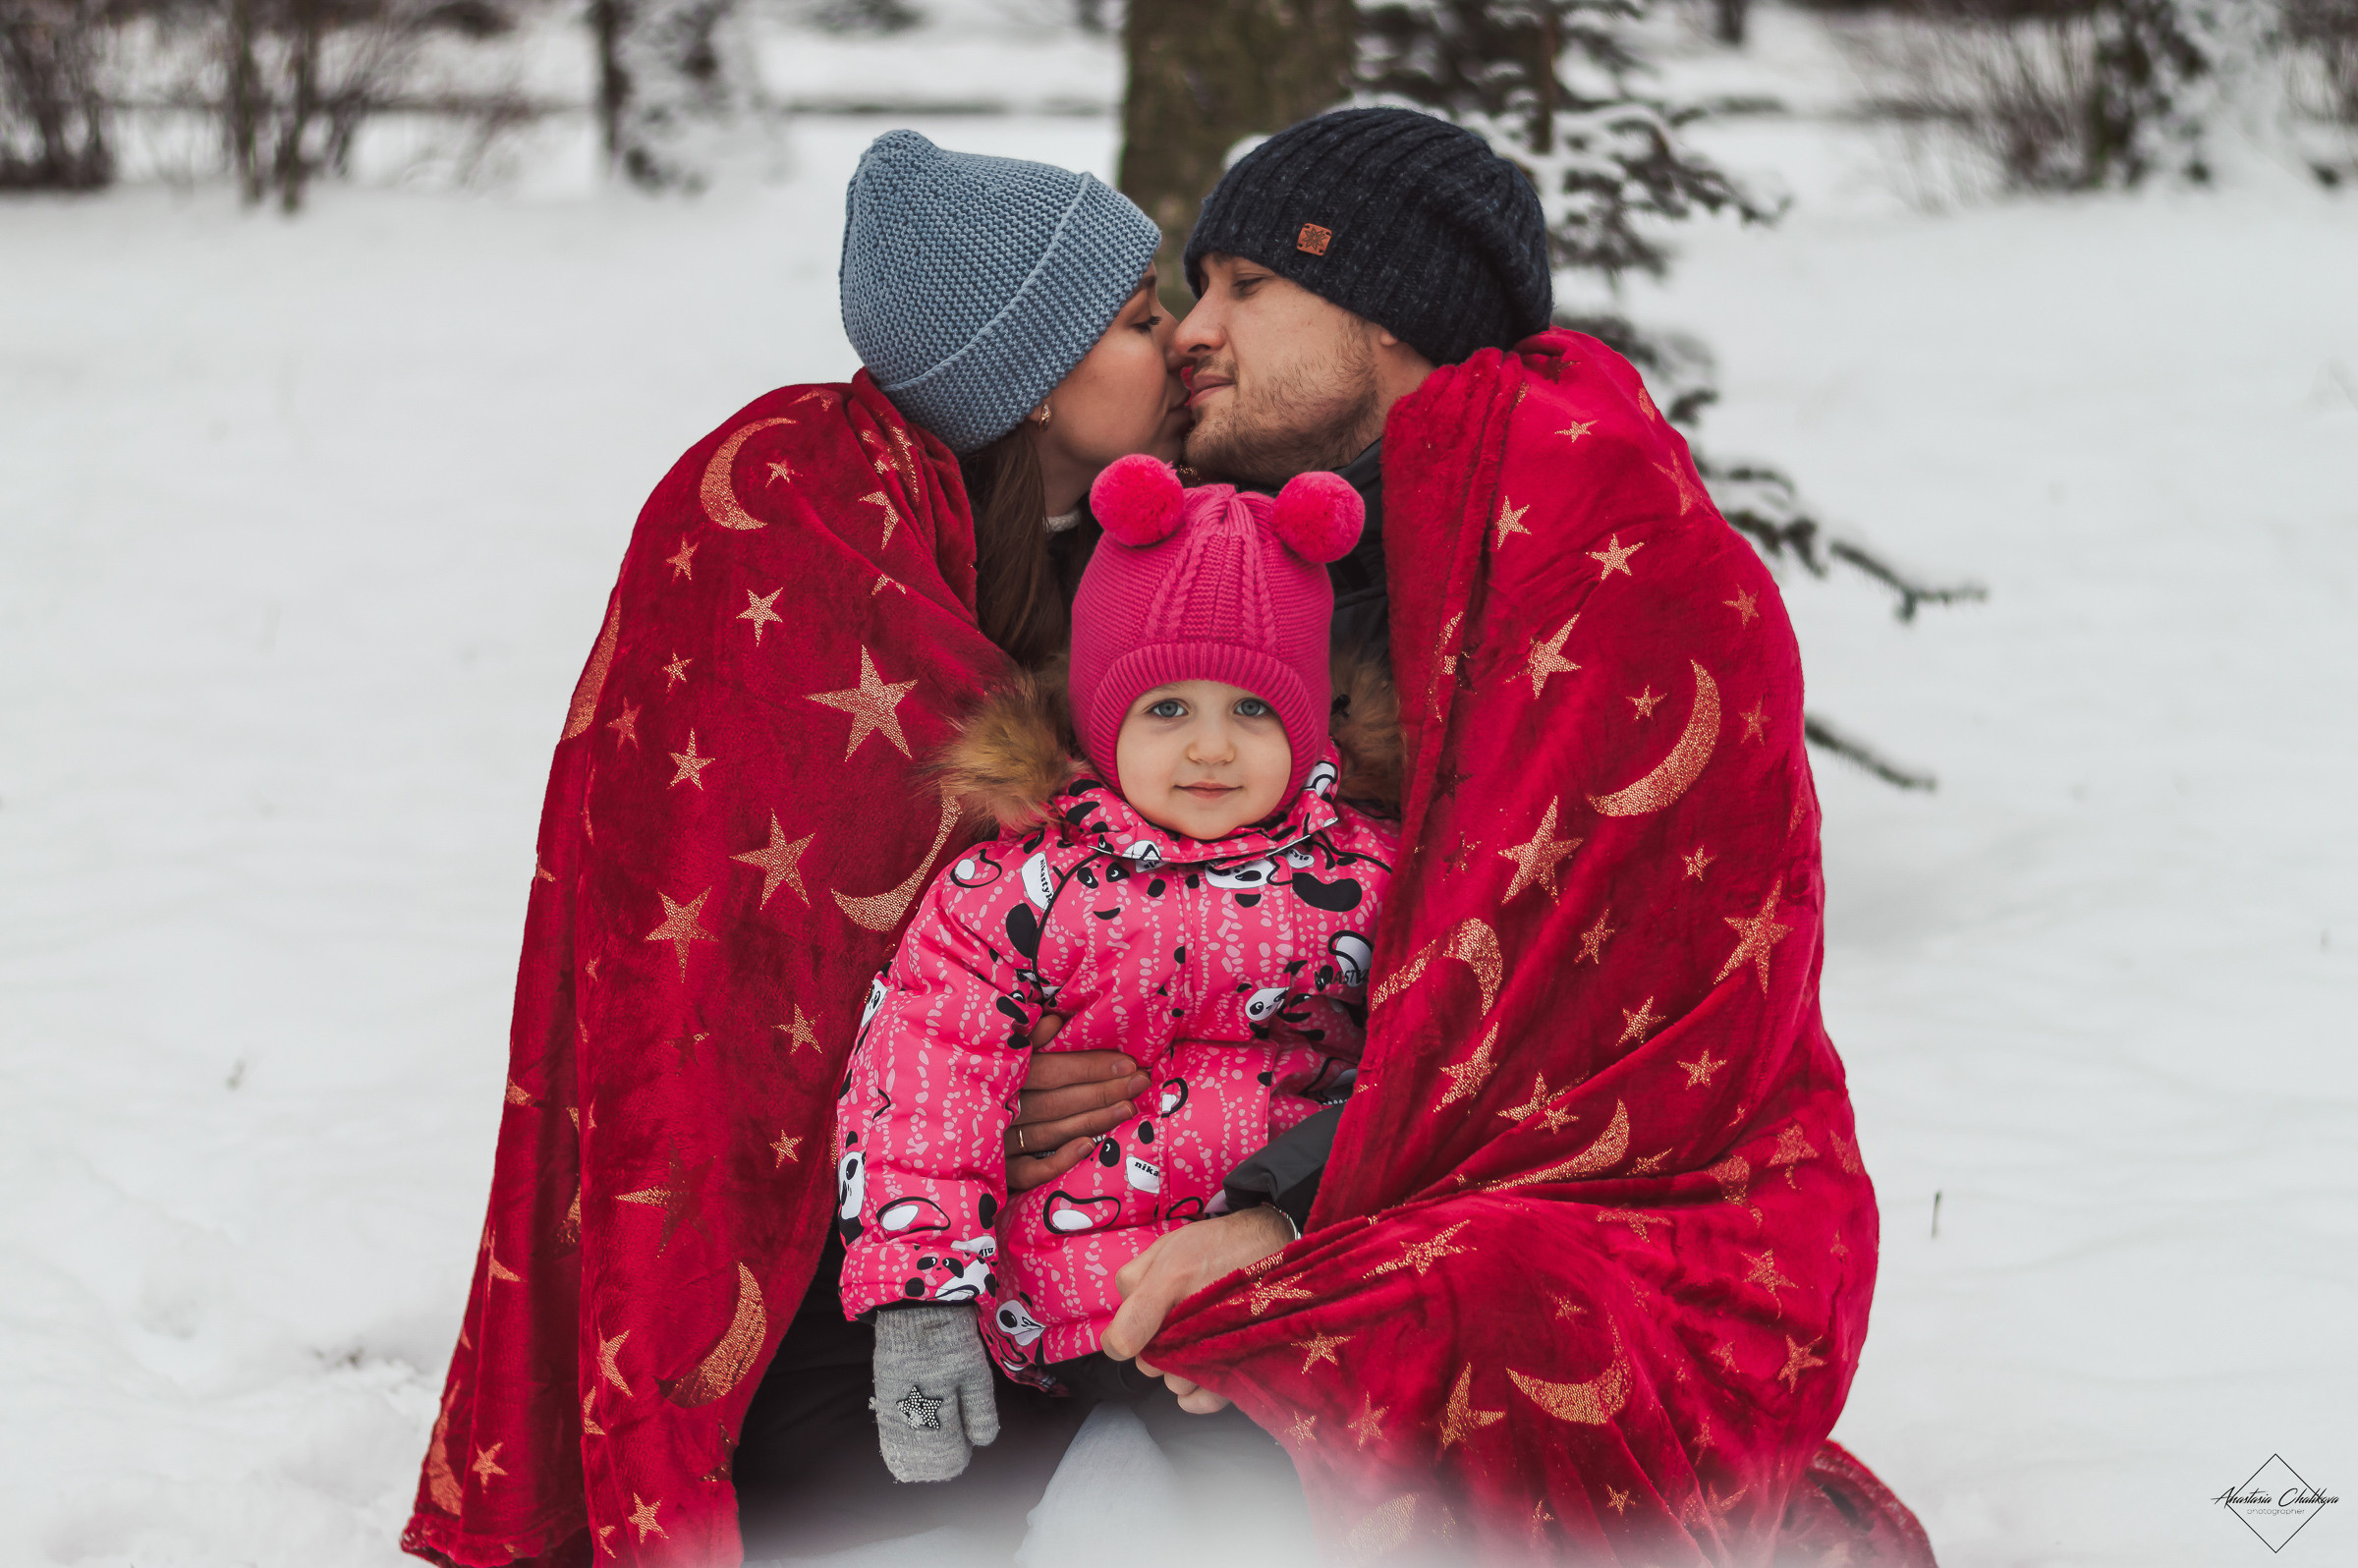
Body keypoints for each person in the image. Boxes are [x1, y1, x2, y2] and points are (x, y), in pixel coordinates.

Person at [1087, 108, 1935, 1564]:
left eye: (1244, 287)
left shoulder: (1608, 548)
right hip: (1349, 1146)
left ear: (1384, 306)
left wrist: (1283, 1218)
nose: (1193, 335)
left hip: (1648, 1207)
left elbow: (1568, 1025)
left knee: (1459, 1304)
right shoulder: (1280, 553)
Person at [400, 132, 1220, 1568]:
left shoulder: (1101, 545)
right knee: (833, 1482)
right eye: (1142, 320)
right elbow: (756, 954)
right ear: (1033, 374)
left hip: (1078, 1191)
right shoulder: (799, 528)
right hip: (828, 1226)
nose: (1184, 346)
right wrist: (978, 1091)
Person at [835, 454, 1399, 1484]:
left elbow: (1424, 1070)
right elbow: (923, 1084)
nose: (1212, 750)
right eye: (1168, 710)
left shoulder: (1369, 879)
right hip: (1078, 1291)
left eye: (1254, 711)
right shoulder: (1019, 888)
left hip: (1293, 1278)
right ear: (1104, 717)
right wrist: (920, 1305)